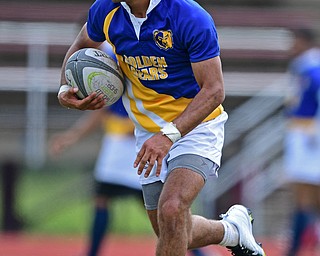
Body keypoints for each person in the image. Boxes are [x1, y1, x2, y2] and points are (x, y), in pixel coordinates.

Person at [57, 1, 266, 255]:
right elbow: (80, 45)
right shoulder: (106, 9)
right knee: (172, 230)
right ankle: (232, 231)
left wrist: (168, 135)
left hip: (196, 127)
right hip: (147, 132)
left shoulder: (190, 16)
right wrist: (64, 88)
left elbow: (214, 90)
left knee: (171, 209)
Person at [283, 27, 320, 255]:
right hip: (300, 134)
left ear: (305, 41)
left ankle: (295, 247)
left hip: (309, 137)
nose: (291, 47)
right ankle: (299, 244)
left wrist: (315, 131)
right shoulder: (301, 68)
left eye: (295, 41)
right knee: (304, 193)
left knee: (306, 193)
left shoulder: (314, 69)